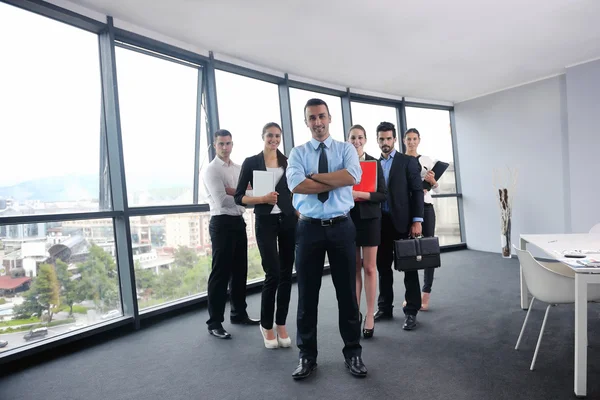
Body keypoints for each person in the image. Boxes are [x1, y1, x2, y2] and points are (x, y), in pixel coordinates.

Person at [286, 98, 367, 380]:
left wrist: (315, 178)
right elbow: (296, 184)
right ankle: (307, 356)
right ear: (306, 122)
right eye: (312, 118)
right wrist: (335, 178)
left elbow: (353, 176)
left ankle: (353, 353)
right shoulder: (297, 153)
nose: (317, 122)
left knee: (347, 293)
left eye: (321, 116)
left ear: (330, 118)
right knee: (307, 295)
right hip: (308, 229)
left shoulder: (346, 149)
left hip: (341, 227)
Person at [234, 122, 296, 349]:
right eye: (270, 135)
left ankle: (281, 323)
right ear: (263, 136)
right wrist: (262, 199)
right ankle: (266, 324)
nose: (274, 139)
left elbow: (295, 191)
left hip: (289, 221)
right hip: (265, 222)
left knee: (287, 274)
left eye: (277, 136)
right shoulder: (252, 162)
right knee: (273, 273)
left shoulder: (288, 162)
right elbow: (238, 197)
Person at [203, 129, 260, 340]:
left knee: (239, 271)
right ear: (215, 145)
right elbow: (222, 200)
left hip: (238, 221)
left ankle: (238, 314)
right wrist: (239, 193)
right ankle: (214, 322)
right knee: (220, 273)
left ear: (232, 145)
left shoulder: (238, 168)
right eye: (221, 144)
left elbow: (250, 194)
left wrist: (234, 191)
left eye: (228, 144)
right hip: (221, 223)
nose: (225, 148)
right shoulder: (211, 171)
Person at [373, 121, 424, 331]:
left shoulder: (407, 161)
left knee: (408, 268)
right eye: (381, 139)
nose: (385, 142)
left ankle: (411, 311)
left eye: (388, 138)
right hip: (380, 223)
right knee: (383, 267)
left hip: (403, 223)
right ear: (377, 140)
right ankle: (385, 307)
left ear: (395, 139)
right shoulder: (373, 164)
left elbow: (417, 191)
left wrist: (417, 220)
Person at [347, 125, 386, 338]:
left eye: (360, 137)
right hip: (349, 219)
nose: (357, 141)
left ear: (365, 140)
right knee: (354, 268)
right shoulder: (343, 163)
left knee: (370, 268)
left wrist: (361, 194)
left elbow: (383, 195)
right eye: (353, 137)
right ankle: (355, 314)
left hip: (370, 220)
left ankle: (370, 314)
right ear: (348, 139)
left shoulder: (375, 163)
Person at [404, 128, 439, 311]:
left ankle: (426, 294)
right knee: (409, 253)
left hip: (426, 208)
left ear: (419, 140)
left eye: (414, 139)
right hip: (408, 209)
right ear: (404, 141)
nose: (411, 142)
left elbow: (437, 189)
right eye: (408, 139)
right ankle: (412, 295)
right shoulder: (401, 161)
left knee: (428, 250)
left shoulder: (426, 161)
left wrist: (432, 182)